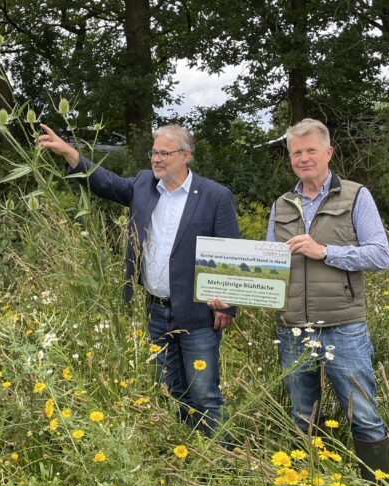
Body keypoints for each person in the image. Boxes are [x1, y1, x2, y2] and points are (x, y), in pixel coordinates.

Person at [38, 123, 240, 436]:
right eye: (154, 152)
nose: (156, 159)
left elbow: (230, 252)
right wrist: (67, 151)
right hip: (155, 311)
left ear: (186, 156)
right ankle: (181, 454)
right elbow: (104, 182)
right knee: (167, 389)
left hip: (198, 313)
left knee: (204, 394)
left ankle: (220, 461)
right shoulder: (144, 184)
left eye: (164, 153)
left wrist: (226, 305)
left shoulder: (215, 195)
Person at [267, 118, 389, 480]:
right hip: (292, 328)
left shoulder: (356, 195)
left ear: (328, 152)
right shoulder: (282, 204)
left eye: (310, 150)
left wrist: (324, 251)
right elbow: (268, 263)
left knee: (363, 414)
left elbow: (379, 255)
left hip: (344, 326)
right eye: (296, 152)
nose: (303, 158)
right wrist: (228, 287)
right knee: (303, 414)